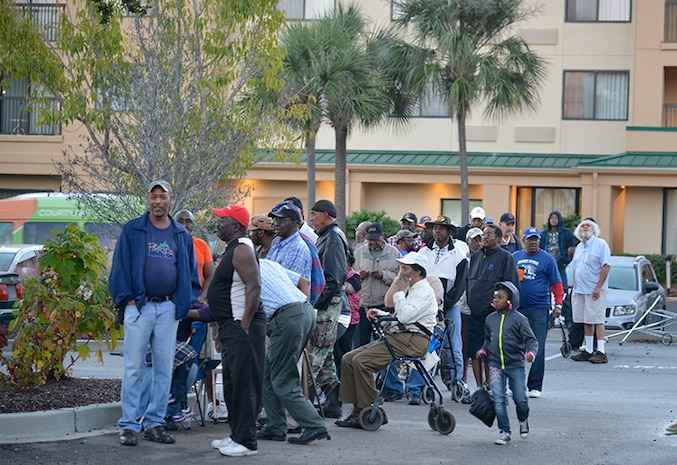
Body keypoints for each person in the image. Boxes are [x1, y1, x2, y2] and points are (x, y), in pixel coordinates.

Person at [109, 179, 201, 446]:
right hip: (139, 307)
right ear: (147, 200)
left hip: (168, 309)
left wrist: (183, 303)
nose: (158, 201)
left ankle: (154, 422)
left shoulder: (180, 234)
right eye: (153, 196)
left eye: (163, 196)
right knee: (134, 367)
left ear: (170, 199)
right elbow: (119, 268)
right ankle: (128, 425)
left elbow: (191, 272)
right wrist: (126, 300)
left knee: (164, 369)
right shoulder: (133, 229)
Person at [335, 252, 437, 428]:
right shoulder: (412, 289)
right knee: (348, 359)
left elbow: (405, 316)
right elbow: (397, 311)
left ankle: (371, 408)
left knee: (361, 361)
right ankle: (358, 409)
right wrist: (381, 313)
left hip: (413, 340)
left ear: (418, 272)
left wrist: (399, 291)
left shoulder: (424, 291)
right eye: (400, 268)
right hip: (402, 336)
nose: (400, 272)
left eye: (405, 268)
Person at [208, 205, 266, 457]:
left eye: (224, 220)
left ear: (237, 226)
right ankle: (236, 434)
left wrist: (244, 324)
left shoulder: (242, 249)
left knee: (244, 384)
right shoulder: (232, 248)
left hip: (242, 325)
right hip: (231, 325)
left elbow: (254, 287)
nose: (218, 223)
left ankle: (247, 442)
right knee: (232, 382)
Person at [254, 259, 331, 445]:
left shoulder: (244, 269)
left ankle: (314, 425)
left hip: (288, 317)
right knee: (268, 373)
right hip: (303, 310)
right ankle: (276, 426)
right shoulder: (266, 263)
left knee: (283, 380)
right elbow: (303, 281)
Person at [478, 281, 538, 446]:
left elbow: (531, 340)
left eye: (501, 297)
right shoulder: (490, 319)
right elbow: (487, 340)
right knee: (498, 398)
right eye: (495, 297)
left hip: (515, 365)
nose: (496, 300)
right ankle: (504, 431)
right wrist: (484, 350)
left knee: (520, 399)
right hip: (495, 365)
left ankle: (523, 418)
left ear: (510, 300)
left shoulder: (520, 320)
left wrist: (531, 353)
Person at [418, 215, 468, 398]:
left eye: (441, 228)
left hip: (450, 305)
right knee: (427, 343)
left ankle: (458, 381)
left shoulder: (459, 255)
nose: (437, 231)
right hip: (426, 305)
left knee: (455, 343)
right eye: (435, 228)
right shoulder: (423, 253)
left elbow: (461, 285)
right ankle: (425, 380)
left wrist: (446, 303)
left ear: (449, 231)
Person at [307, 199, 348, 419]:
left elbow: (333, 278)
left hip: (327, 307)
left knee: (313, 359)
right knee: (325, 362)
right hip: (325, 304)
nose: (311, 218)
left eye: (314, 214)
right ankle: (333, 405)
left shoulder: (333, 238)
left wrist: (316, 304)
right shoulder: (327, 236)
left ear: (325, 215)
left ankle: (301, 412)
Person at [512, 227, 564, 398]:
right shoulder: (516, 257)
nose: (533, 242)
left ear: (539, 241)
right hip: (518, 309)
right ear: (524, 240)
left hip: (539, 310)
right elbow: (508, 281)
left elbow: (557, 285)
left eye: (536, 239)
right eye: (530, 239)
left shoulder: (548, 260)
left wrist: (558, 305)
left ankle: (535, 386)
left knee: (537, 348)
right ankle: (514, 385)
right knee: (513, 347)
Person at [466, 224, 520, 387]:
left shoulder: (505, 257)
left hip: (494, 314)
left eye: (488, 234)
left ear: (498, 239)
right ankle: (480, 387)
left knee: (492, 352)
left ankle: (493, 386)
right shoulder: (475, 257)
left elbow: (512, 286)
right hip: (475, 313)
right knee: (474, 351)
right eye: (483, 234)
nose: (484, 237)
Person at [353, 222, 400, 351]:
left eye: (375, 239)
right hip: (363, 305)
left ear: (382, 236)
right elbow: (350, 274)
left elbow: (400, 278)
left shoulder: (394, 253)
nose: (373, 242)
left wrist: (383, 275)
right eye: (370, 239)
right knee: (359, 346)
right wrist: (359, 275)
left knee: (382, 346)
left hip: (383, 306)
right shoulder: (359, 253)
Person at [569, 218, 611, 364]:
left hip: (594, 289)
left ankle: (601, 351)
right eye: (582, 226)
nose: (585, 228)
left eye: (588, 225)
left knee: (597, 319)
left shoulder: (601, 244)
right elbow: (576, 267)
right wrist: (574, 284)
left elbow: (606, 266)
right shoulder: (579, 246)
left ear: (594, 229)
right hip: (580, 289)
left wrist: (598, 287)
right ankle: (587, 350)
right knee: (586, 320)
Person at [267, 201, 312, 283]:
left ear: (294, 222)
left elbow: (286, 284)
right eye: (275, 219)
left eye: (281, 220)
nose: (276, 223)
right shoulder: (277, 244)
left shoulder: (297, 248)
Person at [334, 249, 362, 378]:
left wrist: (333, 279)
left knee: (344, 354)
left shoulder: (354, 276)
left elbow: (349, 289)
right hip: (335, 319)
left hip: (349, 320)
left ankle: (346, 383)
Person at [540, 210, 576, 289]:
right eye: (551, 218)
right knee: (546, 288)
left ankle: (563, 301)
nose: (553, 220)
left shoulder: (567, 233)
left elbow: (572, 248)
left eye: (556, 218)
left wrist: (566, 260)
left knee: (563, 288)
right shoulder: (543, 234)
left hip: (561, 264)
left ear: (559, 219)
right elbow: (540, 249)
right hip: (547, 264)